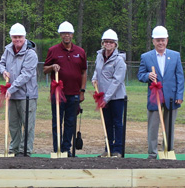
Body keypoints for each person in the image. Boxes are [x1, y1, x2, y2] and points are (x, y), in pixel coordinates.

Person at [137, 26, 184, 160]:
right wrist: (147, 76)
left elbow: (180, 77)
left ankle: (168, 150)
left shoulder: (175, 56)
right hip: (154, 97)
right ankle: (152, 153)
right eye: (158, 40)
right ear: (153, 41)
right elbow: (140, 75)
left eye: (163, 40)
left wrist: (179, 95)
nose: (160, 43)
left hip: (171, 97)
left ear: (167, 40)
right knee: (153, 126)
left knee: (170, 126)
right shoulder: (146, 57)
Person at [43, 21, 87, 155]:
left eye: (68, 33)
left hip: (74, 93)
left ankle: (66, 149)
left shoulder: (80, 52)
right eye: (63, 33)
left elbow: (84, 72)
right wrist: (52, 67)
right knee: (57, 121)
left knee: (70, 122)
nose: (66, 35)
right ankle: (57, 149)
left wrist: (82, 91)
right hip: (58, 93)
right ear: (60, 35)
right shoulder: (53, 50)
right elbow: (45, 69)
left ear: (72, 34)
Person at [0, 23, 39, 157]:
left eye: (20, 37)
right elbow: (0, 63)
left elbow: (25, 75)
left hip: (27, 95)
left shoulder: (31, 54)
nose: (17, 40)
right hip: (12, 95)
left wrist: (11, 88)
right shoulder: (8, 50)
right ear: (11, 37)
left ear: (25, 37)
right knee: (13, 124)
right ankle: (14, 149)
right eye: (15, 37)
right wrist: (3, 70)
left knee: (28, 125)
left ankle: (25, 150)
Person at [91, 29, 127, 158]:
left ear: (115, 44)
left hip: (116, 97)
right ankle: (108, 148)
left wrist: (106, 98)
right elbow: (97, 70)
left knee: (117, 122)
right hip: (103, 95)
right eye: (106, 42)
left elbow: (117, 81)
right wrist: (94, 78)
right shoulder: (99, 56)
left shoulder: (119, 61)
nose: (108, 44)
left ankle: (117, 150)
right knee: (107, 123)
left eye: (111, 42)